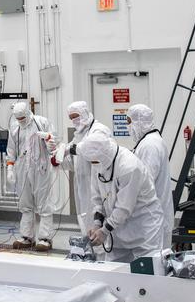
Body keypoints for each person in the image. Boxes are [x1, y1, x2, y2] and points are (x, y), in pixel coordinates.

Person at [77, 129, 163, 264]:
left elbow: (124, 207)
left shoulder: (129, 166)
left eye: (94, 161)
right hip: (117, 230)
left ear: (103, 155)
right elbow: (98, 198)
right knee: (114, 274)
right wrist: (96, 224)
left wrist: (104, 231)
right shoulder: (98, 163)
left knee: (147, 275)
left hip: (143, 229)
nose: (93, 164)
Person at [47, 100, 110, 236]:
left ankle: (101, 253)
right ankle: (91, 251)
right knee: (86, 222)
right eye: (71, 118)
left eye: (76, 116)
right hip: (83, 187)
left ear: (84, 113)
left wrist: (69, 149)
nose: (74, 121)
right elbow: (72, 163)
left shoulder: (99, 130)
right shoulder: (78, 135)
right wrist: (56, 155)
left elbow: (92, 150)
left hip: (100, 186)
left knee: (99, 222)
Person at [5, 101, 57, 251]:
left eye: (23, 118)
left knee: (44, 203)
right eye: (18, 118)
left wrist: (48, 139)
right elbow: (11, 149)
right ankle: (27, 237)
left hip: (41, 168)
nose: (21, 121)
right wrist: (10, 168)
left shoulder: (42, 122)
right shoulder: (15, 127)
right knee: (25, 203)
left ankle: (45, 238)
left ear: (28, 113)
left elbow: (54, 143)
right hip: (22, 168)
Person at [128, 103, 174, 249]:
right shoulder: (149, 141)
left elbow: (145, 182)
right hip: (152, 217)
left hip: (153, 219)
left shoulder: (150, 145)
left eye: (129, 122)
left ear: (139, 121)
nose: (128, 127)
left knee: (154, 264)